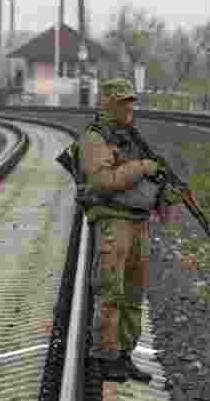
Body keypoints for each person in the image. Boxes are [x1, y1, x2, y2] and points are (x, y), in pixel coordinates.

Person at [78, 78, 182, 382]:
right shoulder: (95, 139)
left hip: (138, 222)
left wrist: (165, 192)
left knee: (134, 295)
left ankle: (124, 354)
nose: (129, 107)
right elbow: (102, 182)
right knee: (111, 291)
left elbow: (145, 177)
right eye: (123, 101)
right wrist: (142, 168)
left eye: (131, 101)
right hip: (113, 220)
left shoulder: (130, 137)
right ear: (107, 102)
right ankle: (104, 356)